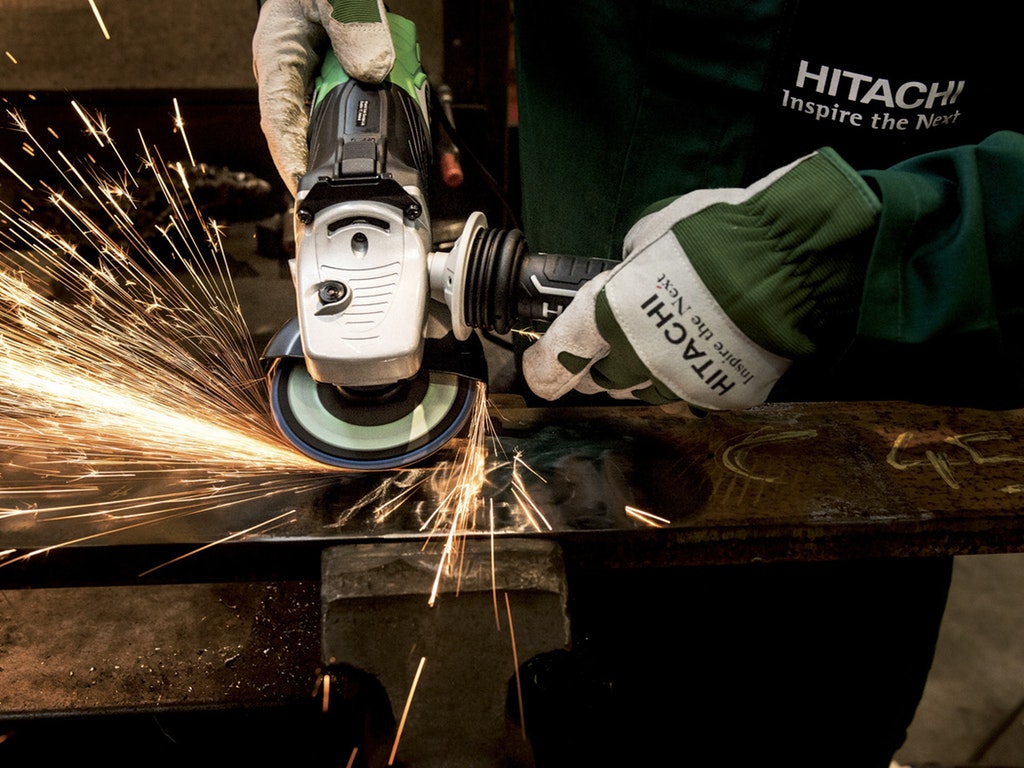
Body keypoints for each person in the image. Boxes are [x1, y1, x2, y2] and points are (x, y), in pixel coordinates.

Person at [253, 2, 1024, 765]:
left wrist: (867, 250)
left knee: (815, 725)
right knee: (576, 710)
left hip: (874, 435)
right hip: (582, 433)